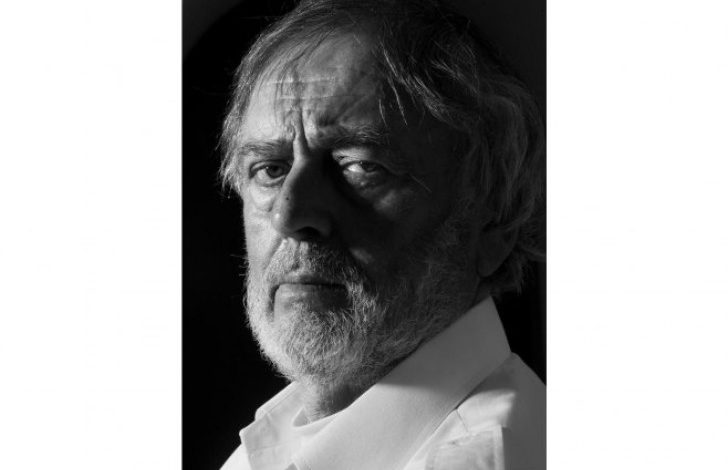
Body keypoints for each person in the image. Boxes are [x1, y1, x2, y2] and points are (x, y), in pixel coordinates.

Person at [217, 0, 545, 468]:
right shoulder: (269, 448)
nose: (290, 215)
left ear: (495, 222)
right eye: (270, 169)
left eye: (360, 166)